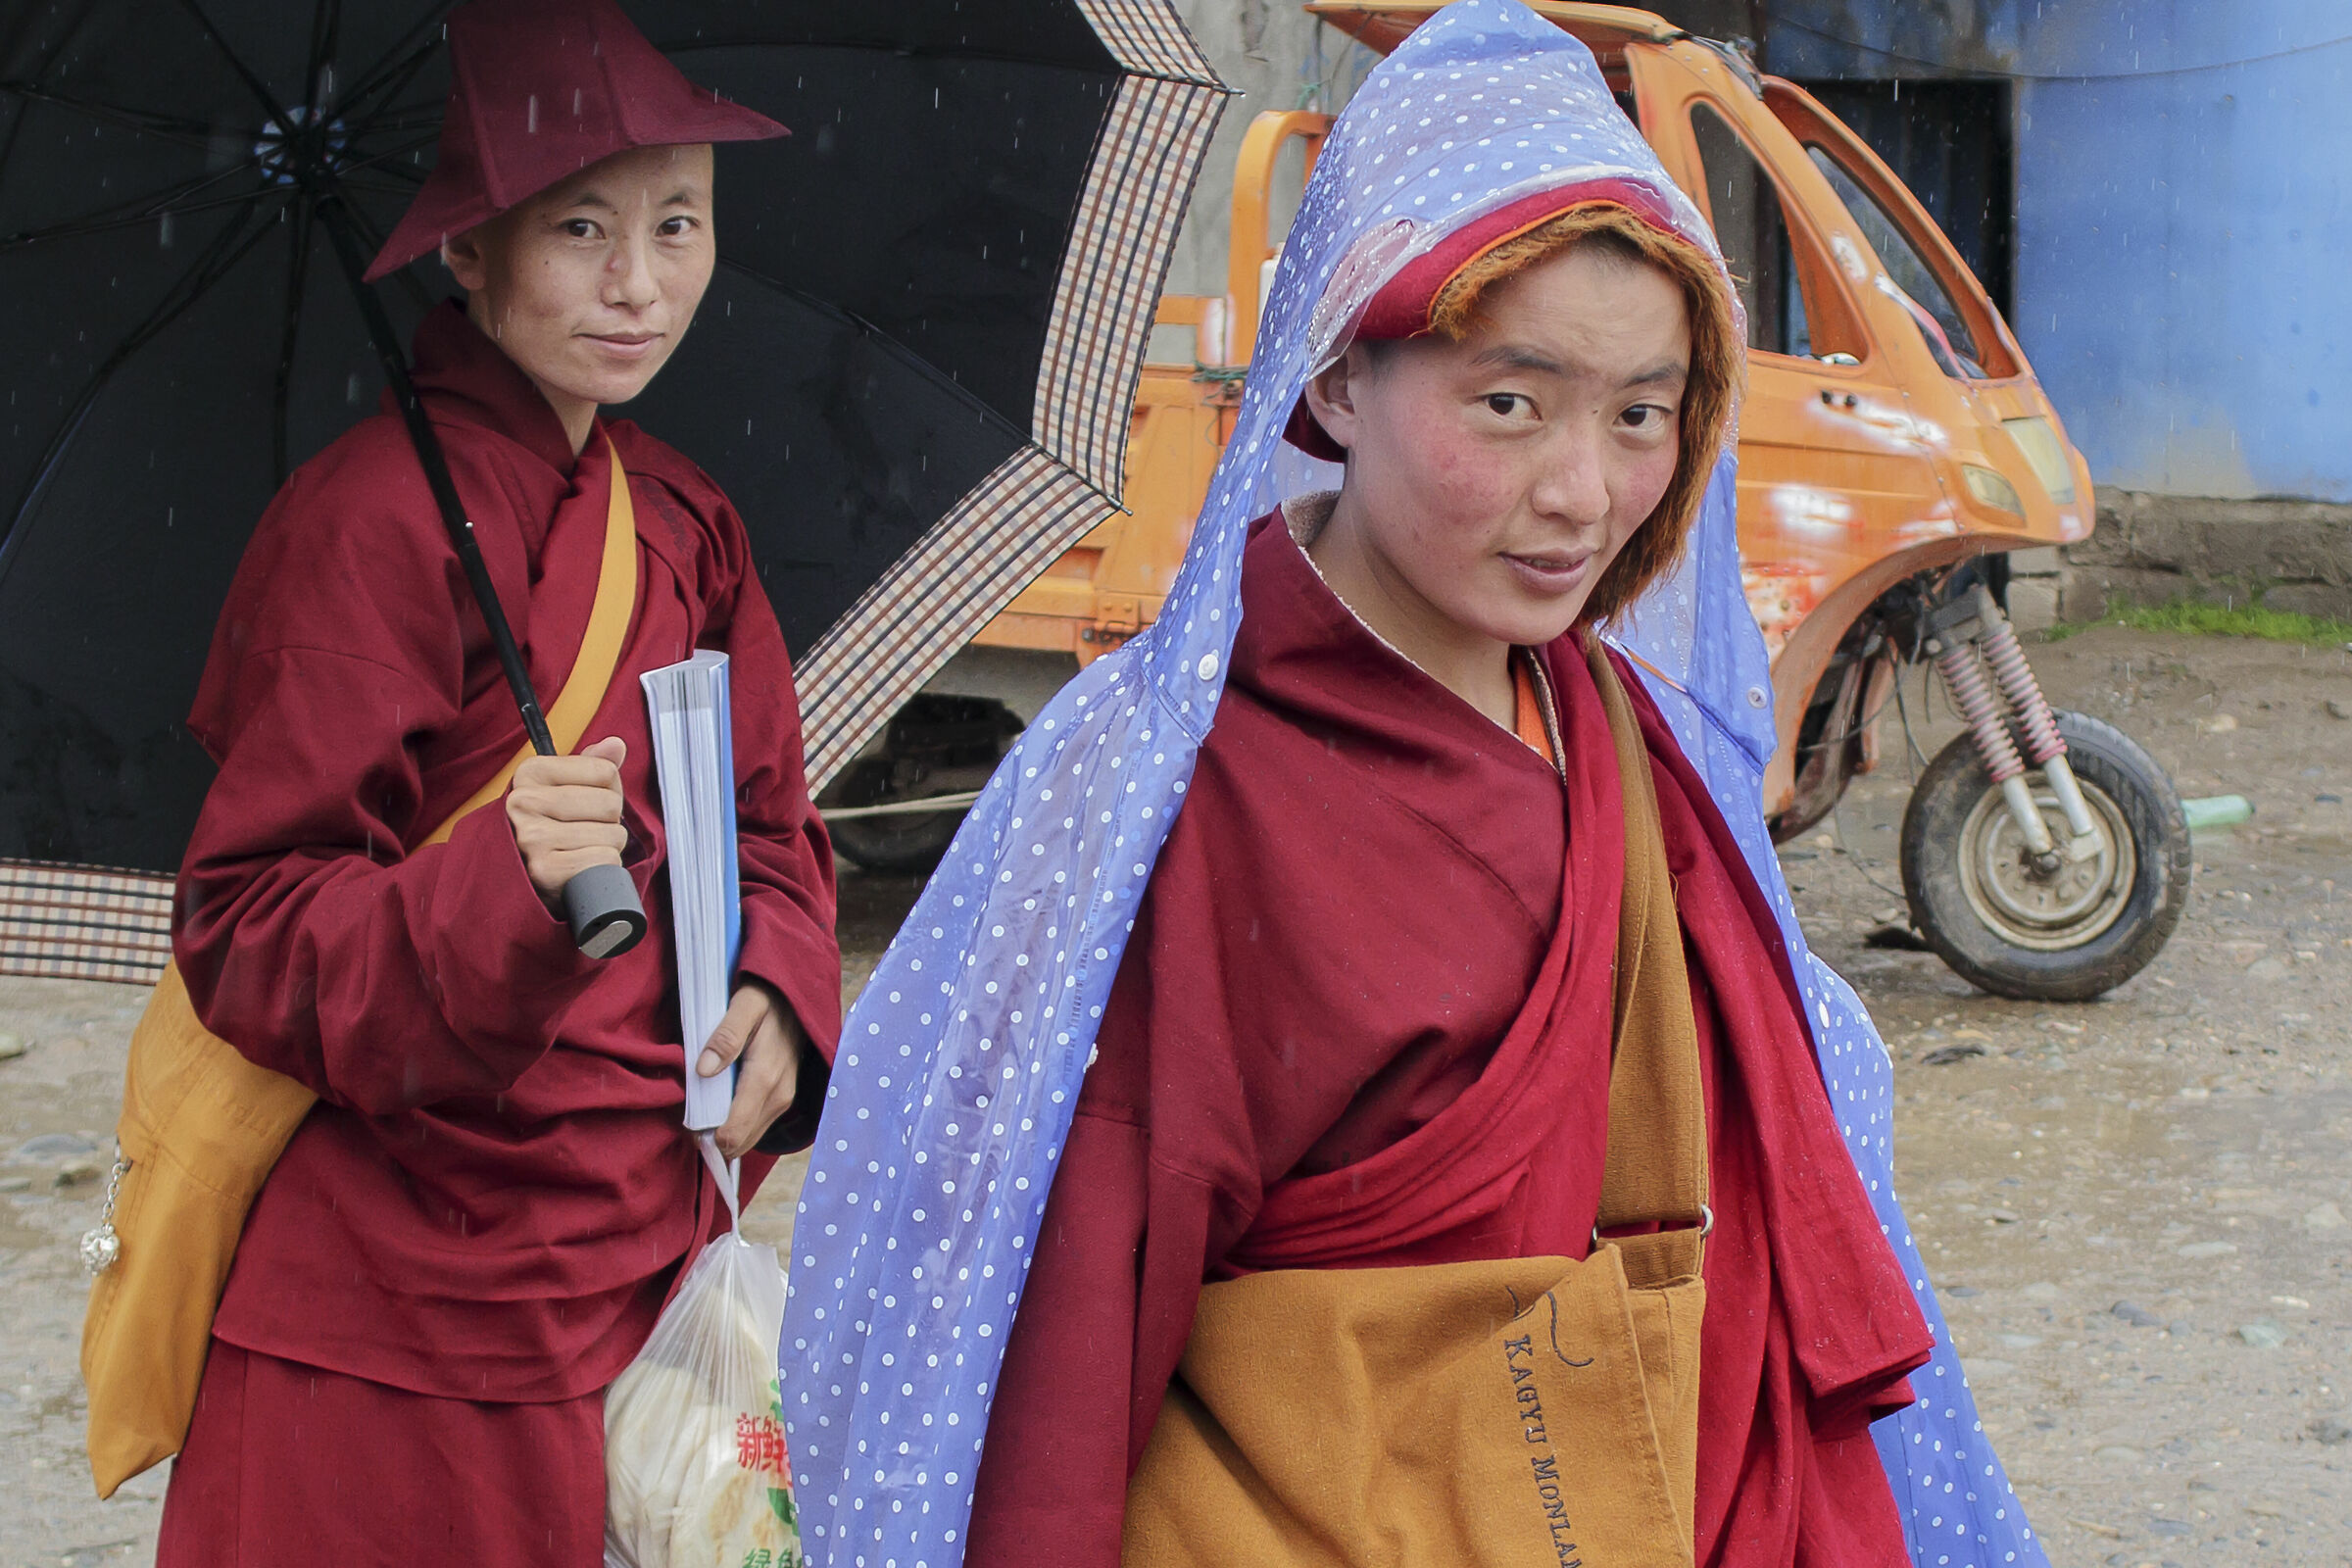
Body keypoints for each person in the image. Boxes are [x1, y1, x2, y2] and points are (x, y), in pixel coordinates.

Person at [784, 7, 2042, 1568]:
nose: (1583, 491)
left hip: (1670, 1494)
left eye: (1642, 414)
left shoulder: (1629, 747)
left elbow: (1773, 1211)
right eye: (1508, 404)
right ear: (1335, 388)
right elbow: (1059, 1331)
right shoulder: (1161, 793)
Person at [153, 2, 840, 1561]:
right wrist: (502, 891)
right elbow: (248, 925)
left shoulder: (687, 520)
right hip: (396, 1304)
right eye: (581, 227)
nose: (639, 283)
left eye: (680, 223)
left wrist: (785, 994)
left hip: (639, 1251)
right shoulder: (367, 527)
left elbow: (769, 821)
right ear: (466, 253)